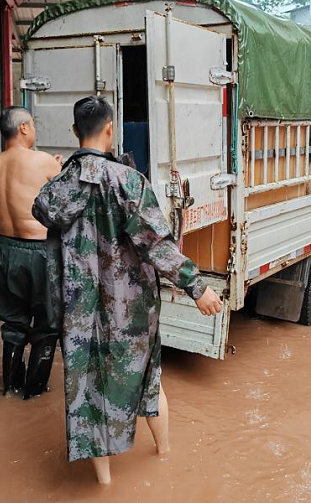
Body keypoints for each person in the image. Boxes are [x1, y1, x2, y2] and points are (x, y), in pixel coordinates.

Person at [32, 96, 222, 485]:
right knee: (148, 379)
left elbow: (44, 214)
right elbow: (157, 245)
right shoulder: (129, 181)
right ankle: (165, 455)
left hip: (78, 314)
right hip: (130, 312)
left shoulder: (57, 188)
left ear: (73, 133)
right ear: (110, 128)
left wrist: (62, 171)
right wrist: (197, 288)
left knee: (86, 390)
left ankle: (104, 483)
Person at [0, 106, 62, 399]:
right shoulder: (42, 160)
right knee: (46, 324)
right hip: (39, 251)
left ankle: (10, 387)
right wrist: (56, 165)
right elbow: (65, 193)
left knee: (13, 322)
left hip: (6, 249)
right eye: (32, 125)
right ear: (22, 128)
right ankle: (34, 391)